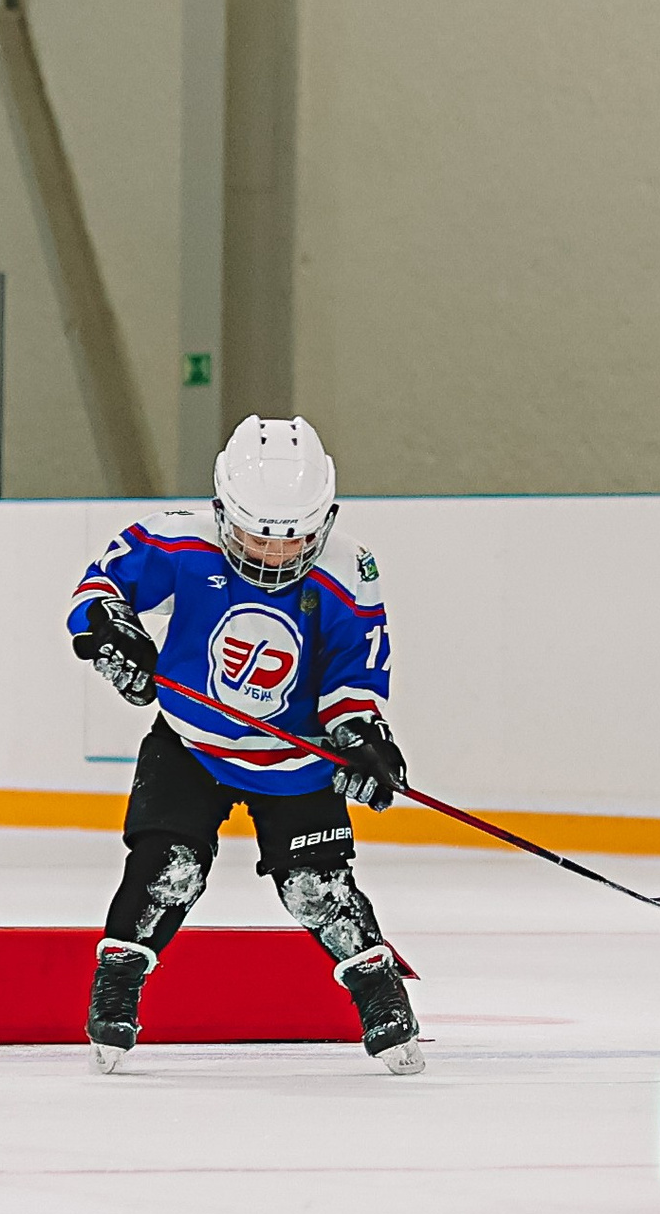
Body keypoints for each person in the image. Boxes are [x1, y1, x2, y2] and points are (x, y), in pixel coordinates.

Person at [67, 415, 421, 1075]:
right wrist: (115, 632)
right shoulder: (178, 539)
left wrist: (360, 733)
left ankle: (381, 996)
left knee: (316, 887)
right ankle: (116, 991)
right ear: (221, 509)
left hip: (294, 762)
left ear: (327, 518)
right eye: (257, 532)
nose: (273, 554)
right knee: (168, 869)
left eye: (294, 538)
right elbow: (102, 586)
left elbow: (354, 669)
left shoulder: (351, 568)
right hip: (190, 745)